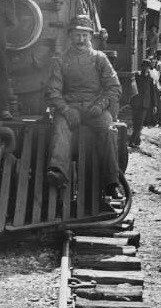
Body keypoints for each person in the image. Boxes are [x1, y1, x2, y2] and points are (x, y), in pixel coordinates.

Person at [46, 15, 123, 199]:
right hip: (69, 106)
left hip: (94, 107)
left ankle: (112, 182)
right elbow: (53, 91)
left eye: (84, 36)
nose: (80, 40)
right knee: (60, 127)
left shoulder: (100, 58)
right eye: (77, 35)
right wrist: (65, 109)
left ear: (90, 37)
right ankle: (58, 172)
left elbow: (114, 87)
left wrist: (100, 105)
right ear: (70, 36)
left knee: (108, 128)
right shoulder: (60, 60)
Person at [130, 59, 157, 146]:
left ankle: (132, 141)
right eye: (144, 66)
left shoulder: (150, 78)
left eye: (148, 67)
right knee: (135, 122)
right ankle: (137, 141)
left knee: (140, 123)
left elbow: (152, 93)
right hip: (136, 102)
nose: (146, 68)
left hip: (145, 103)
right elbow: (132, 88)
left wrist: (155, 105)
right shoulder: (137, 76)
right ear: (142, 67)